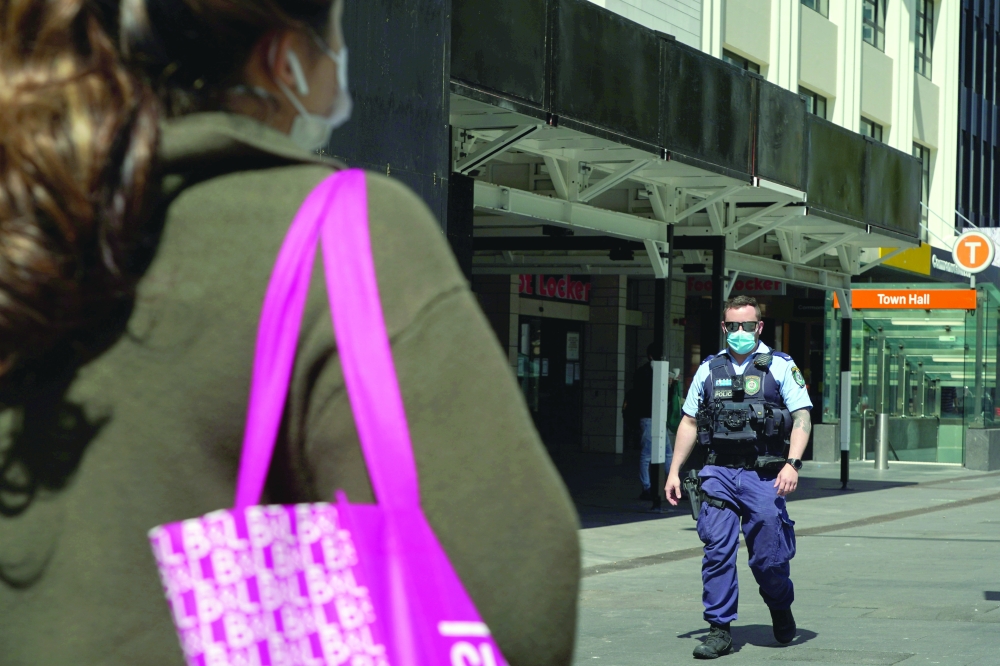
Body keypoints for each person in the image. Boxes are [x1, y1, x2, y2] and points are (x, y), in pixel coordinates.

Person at [0, 1, 580, 664]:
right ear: (284, 61)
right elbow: (514, 588)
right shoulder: (350, 237)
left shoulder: (28, 240)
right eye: (337, 28)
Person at [665, 295, 812, 659]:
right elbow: (689, 421)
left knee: (768, 558)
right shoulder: (709, 369)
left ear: (759, 327)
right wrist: (674, 471)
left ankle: (779, 605)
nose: (741, 332)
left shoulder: (780, 366)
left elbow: (803, 418)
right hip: (718, 471)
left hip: (764, 473)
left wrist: (793, 463)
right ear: (724, 327)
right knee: (717, 549)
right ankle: (719, 629)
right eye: (734, 326)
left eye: (748, 326)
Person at [630, 344, 675, 501]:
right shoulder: (652, 373)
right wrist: (670, 385)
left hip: (649, 416)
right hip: (652, 416)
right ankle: (651, 487)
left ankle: (649, 486)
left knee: (651, 453)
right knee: (658, 453)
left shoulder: (643, 373)